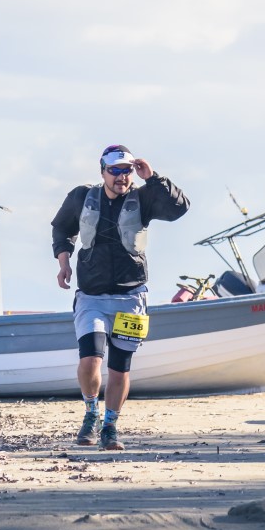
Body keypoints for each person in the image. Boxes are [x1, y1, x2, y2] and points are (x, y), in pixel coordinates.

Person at [51, 144, 189, 450]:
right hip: (92, 297)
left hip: (131, 297)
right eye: (114, 171)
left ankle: (110, 426)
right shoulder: (81, 197)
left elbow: (179, 209)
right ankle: (91, 413)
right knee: (90, 360)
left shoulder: (144, 197)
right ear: (102, 171)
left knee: (119, 368)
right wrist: (63, 262)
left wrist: (153, 178)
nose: (121, 177)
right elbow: (62, 228)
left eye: (126, 171)